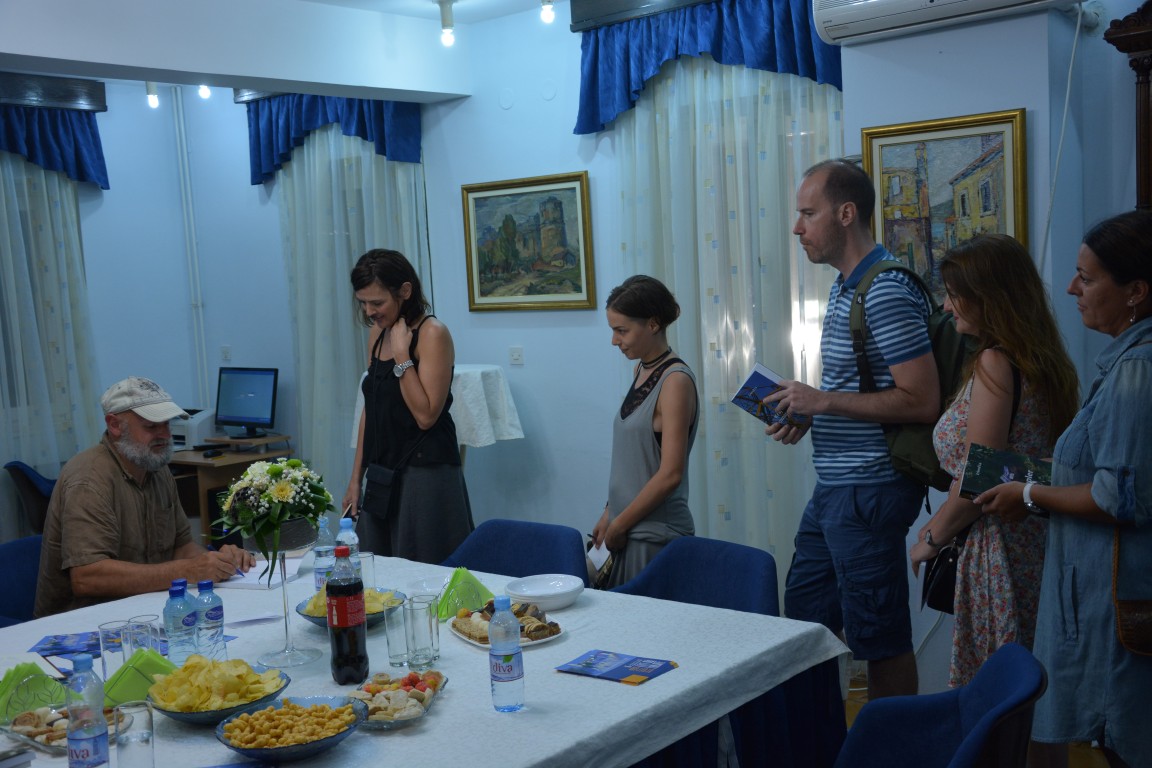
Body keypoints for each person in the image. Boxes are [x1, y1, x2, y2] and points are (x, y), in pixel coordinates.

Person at [977, 210, 1152, 768]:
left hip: (1120, 600)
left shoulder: (1136, 370)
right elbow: (1093, 468)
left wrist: (1026, 494)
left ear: (1135, 292)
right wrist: (1025, 474)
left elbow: (1115, 494)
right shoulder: (1123, 362)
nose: (1073, 288)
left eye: (1088, 277)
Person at [763, 159, 938, 699]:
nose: (797, 228)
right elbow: (864, 388)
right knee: (806, 619)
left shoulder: (884, 290)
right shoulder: (846, 286)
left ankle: (893, 743)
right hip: (838, 486)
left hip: (869, 488)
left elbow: (922, 399)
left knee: (880, 638)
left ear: (845, 214)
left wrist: (823, 400)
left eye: (807, 213)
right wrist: (811, 411)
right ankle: (820, 737)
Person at [907, 235, 1079, 689]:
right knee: (1029, 686)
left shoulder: (995, 362)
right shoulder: (1043, 360)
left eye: (954, 294)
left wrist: (931, 539)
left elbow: (979, 475)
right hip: (1033, 537)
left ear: (989, 296)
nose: (946, 306)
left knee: (997, 692)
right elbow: (1031, 462)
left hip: (999, 544)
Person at [34, 377, 256, 617]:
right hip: (81, 621)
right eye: (151, 426)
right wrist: (187, 571)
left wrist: (220, 562)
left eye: (167, 424)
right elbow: (87, 577)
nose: (165, 435)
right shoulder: (89, 480)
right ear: (115, 425)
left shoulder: (156, 468)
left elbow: (181, 547)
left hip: (144, 609)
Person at [344, 248, 473, 564]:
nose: (369, 311)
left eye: (377, 303)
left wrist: (403, 356)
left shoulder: (433, 334)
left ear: (404, 291)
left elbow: (426, 415)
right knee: (376, 571)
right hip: (382, 471)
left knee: (424, 573)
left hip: (425, 472)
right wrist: (355, 478)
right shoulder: (377, 333)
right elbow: (371, 409)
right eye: (363, 303)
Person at [591, 275, 698, 588]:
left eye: (622, 330)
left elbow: (670, 474)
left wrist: (619, 524)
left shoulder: (675, 381)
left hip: (653, 535)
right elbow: (633, 460)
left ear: (653, 324)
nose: (615, 340)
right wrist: (609, 512)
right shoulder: (641, 369)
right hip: (628, 527)